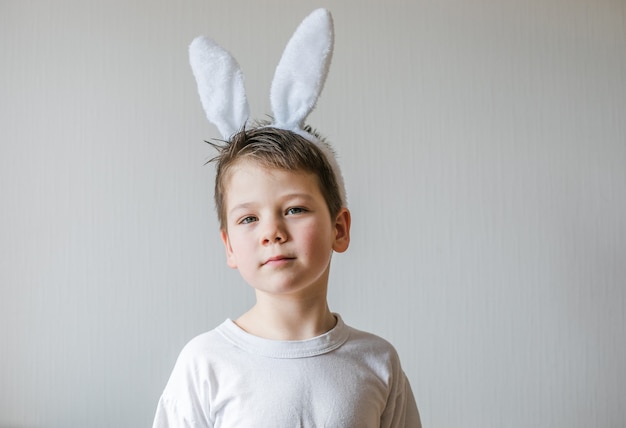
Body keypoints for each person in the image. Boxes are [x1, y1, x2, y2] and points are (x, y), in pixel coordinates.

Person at [153, 8, 421, 428]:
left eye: (294, 210)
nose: (273, 232)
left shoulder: (378, 362)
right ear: (228, 246)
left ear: (340, 228)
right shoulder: (204, 364)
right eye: (248, 219)